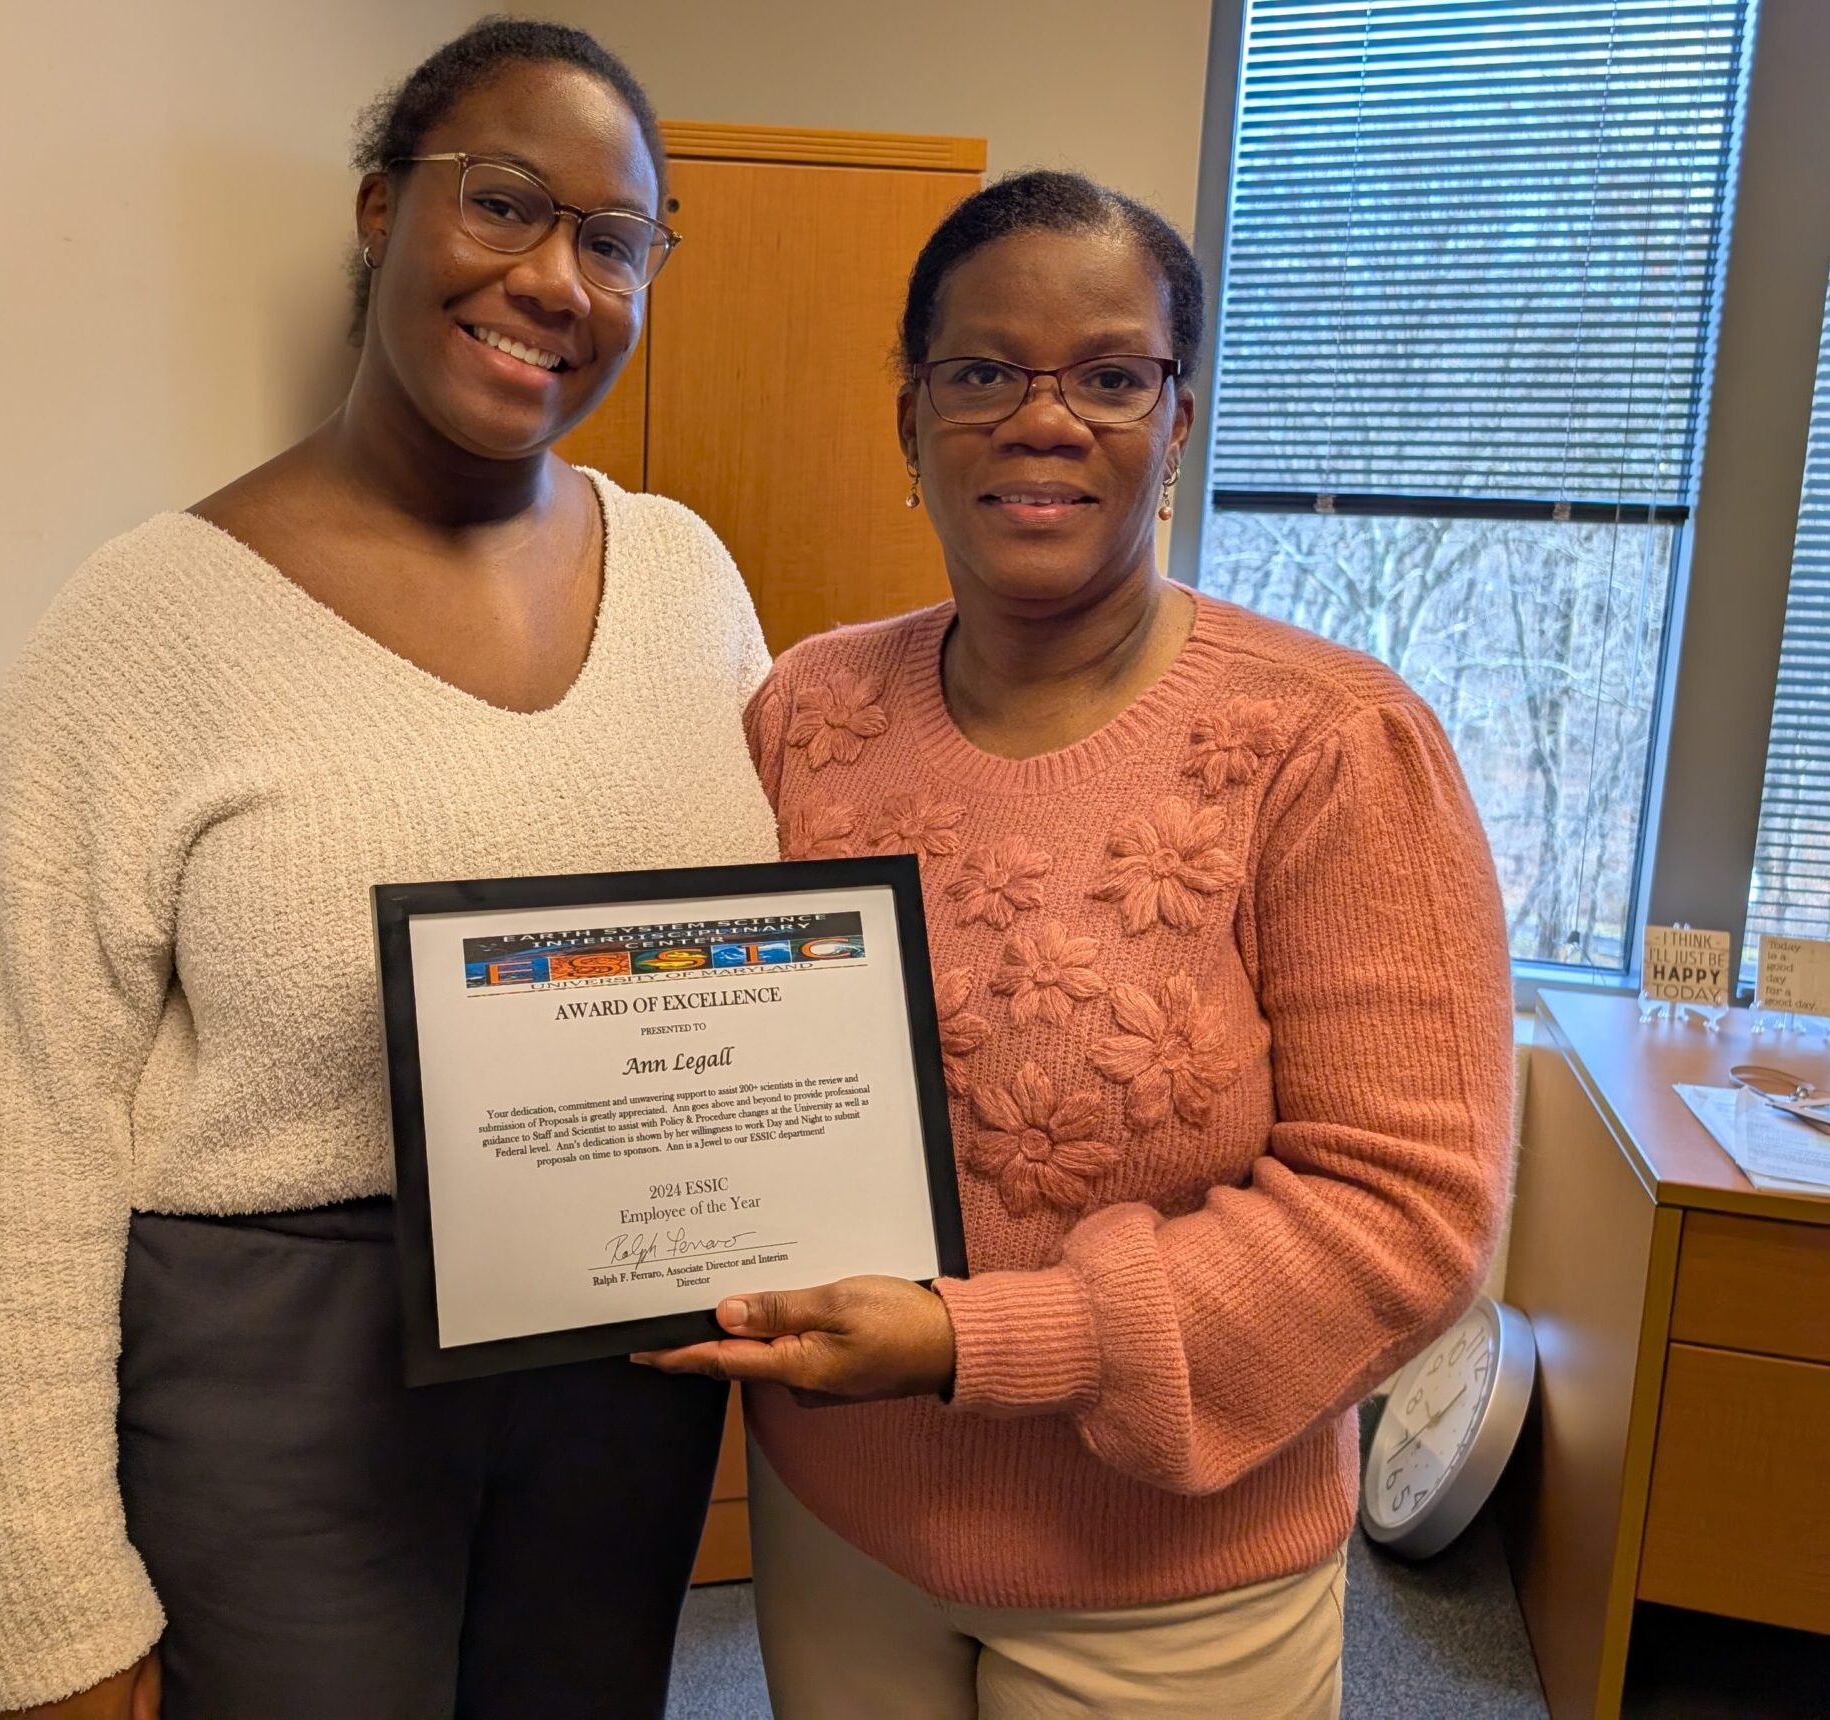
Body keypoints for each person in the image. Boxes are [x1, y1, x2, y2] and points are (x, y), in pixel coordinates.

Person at [0, 19, 776, 1720]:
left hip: (622, 1368)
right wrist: (54, 1605)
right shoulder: (145, 621)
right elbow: (27, 1135)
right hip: (281, 1374)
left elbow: (758, 971)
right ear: (381, 210)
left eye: (615, 242)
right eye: (503, 205)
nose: (558, 279)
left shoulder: (691, 580)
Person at [637, 171, 1515, 1718]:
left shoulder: (1332, 746)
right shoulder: (807, 713)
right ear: (910, 416)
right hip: (838, 1520)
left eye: (1111, 374)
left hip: (1171, 1577)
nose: (1045, 419)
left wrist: (982, 1338)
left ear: (1177, 421)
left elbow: (1407, 1218)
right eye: (983, 371)